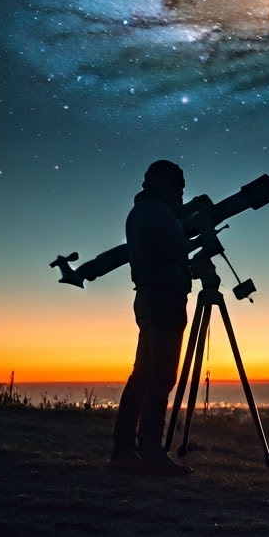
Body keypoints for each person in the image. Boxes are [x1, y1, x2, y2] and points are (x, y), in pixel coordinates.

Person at [111, 159, 194, 476]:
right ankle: (151, 452)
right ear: (167, 184)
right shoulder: (159, 214)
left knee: (144, 375)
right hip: (163, 299)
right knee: (160, 377)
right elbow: (175, 251)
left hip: (150, 297)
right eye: (179, 185)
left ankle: (125, 450)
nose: (182, 192)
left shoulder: (143, 211)